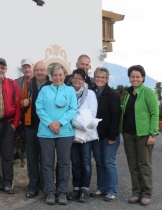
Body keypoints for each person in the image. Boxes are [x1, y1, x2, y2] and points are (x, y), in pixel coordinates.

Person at [36, 65, 77, 205]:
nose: (58, 77)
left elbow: (73, 109)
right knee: (47, 163)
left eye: (60, 74)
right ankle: (49, 192)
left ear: (65, 75)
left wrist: (59, 123)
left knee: (64, 163)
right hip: (46, 133)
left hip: (64, 132)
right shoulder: (45, 90)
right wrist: (50, 124)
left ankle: (62, 191)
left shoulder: (70, 90)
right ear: (51, 76)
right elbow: (39, 108)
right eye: (55, 75)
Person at [121, 65, 159, 206]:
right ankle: (136, 192)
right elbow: (126, 111)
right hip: (128, 134)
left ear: (143, 77)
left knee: (144, 165)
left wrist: (152, 134)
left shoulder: (148, 92)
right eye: (132, 76)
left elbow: (154, 113)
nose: (135, 79)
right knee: (133, 165)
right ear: (129, 78)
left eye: (138, 76)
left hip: (144, 135)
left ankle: (146, 193)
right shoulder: (129, 93)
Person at [0, 58, 22, 194]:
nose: (0, 70)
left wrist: (15, 124)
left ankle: (8, 182)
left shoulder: (12, 84)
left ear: (6, 69)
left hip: (8, 123)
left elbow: (18, 105)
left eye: (2, 68)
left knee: (8, 154)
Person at [20, 61, 52, 198]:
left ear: (46, 71)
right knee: (32, 158)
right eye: (37, 70)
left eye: (42, 70)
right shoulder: (28, 86)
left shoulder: (52, 86)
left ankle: (46, 186)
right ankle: (33, 186)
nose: (39, 72)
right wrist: (24, 103)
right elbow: (21, 102)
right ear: (34, 71)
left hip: (47, 127)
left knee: (46, 159)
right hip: (31, 126)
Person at [90, 67, 121, 202]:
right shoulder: (92, 93)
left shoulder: (112, 95)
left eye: (103, 77)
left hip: (109, 136)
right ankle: (101, 188)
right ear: (94, 77)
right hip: (96, 134)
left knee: (109, 162)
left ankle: (112, 190)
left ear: (107, 79)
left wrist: (113, 136)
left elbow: (116, 116)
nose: (100, 79)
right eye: (98, 77)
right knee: (99, 162)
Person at [67, 69, 97, 203]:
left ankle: (84, 189)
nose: (77, 80)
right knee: (75, 162)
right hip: (71, 132)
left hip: (85, 133)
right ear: (72, 79)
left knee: (85, 162)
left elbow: (92, 113)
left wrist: (75, 117)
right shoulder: (68, 92)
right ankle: (76, 188)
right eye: (75, 78)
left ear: (84, 80)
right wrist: (77, 116)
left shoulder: (90, 93)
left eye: (80, 78)